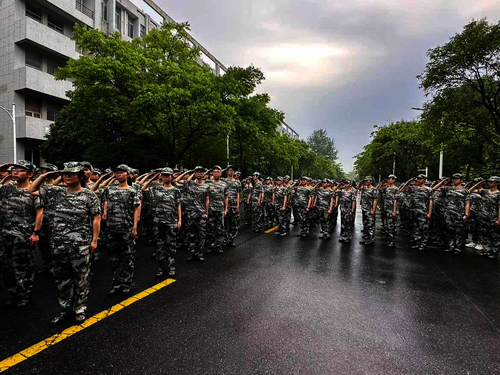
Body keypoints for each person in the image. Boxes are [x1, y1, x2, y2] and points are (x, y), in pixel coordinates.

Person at [28, 162, 101, 324]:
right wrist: (46, 175)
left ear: (80, 176)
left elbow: (96, 218)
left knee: (81, 277)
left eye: (72, 174)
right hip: (59, 243)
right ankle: (66, 309)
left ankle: (80, 309)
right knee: (62, 279)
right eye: (65, 174)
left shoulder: (89, 195)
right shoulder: (56, 193)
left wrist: (94, 240)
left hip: (80, 244)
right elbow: (31, 190)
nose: (68, 176)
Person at [0, 161, 43, 307]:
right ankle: (13, 293)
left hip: (23, 234)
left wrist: (36, 232)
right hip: (5, 233)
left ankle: (25, 295)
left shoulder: (34, 190)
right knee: (6, 267)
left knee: (23, 267)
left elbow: (39, 212)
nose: (15, 172)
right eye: (13, 170)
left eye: (20, 170)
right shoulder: (6, 188)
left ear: (30, 174)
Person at [102, 165, 141, 296]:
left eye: (121, 172)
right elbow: (101, 190)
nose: (118, 174)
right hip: (111, 228)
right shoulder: (110, 189)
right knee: (113, 257)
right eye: (116, 173)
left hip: (126, 228)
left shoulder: (132, 190)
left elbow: (136, 209)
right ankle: (117, 281)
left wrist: (135, 226)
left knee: (127, 256)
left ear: (128, 175)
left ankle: (127, 282)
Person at [143, 168, 181, 277]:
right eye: (164, 175)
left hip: (171, 221)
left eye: (168, 175)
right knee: (159, 246)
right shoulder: (156, 189)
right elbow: (143, 187)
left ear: (171, 177)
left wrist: (179, 220)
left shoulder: (176, 190)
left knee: (171, 246)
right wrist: (154, 177)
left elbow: (178, 205)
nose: (165, 177)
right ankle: (161, 267)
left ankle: (171, 267)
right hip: (158, 221)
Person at [175, 167, 209, 261]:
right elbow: (176, 180)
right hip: (191, 213)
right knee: (191, 234)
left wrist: (206, 212)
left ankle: (200, 253)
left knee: (201, 235)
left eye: (201, 172)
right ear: (194, 173)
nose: (199, 174)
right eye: (197, 172)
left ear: (203, 174)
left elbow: (207, 200)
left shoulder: (206, 186)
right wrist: (187, 171)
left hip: (201, 214)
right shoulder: (189, 183)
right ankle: (192, 253)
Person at [433, 173, 470, 255]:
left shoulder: (465, 191)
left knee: (459, 231)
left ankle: (457, 248)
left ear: (461, 180)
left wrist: (466, 215)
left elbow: (467, 203)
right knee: (449, 231)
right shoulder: (448, 189)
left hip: (459, 213)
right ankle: (450, 246)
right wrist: (443, 182)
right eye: (453, 178)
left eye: (457, 179)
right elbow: (434, 189)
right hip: (448, 213)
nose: (455, 180)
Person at [469, 177, 500, 259]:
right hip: (482, 217)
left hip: (493, 218)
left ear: (497, 183)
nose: (490, 183)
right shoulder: (484, 191)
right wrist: (479, 183)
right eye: (489, 182)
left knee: (494, 236)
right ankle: (487, 251)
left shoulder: (498, 194)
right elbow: (470, 190)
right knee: (484, 236)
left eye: (492, 182)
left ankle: (494, 253)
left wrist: (499, 220)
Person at [401, 174, 433, 251]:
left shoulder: (428, 190)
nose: (417, 180)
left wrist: (429, 212)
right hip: (414, 211)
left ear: (424, 180)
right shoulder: (414, 189)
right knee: (416, 228)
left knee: (424, 228)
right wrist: (410, 180)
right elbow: (402, 189)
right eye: (417, 179)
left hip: (423, 212)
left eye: (419, 179)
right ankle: (418, 243)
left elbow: (431, 201)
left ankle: (423, 244)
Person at [37, 163, 59, 274]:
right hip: (42, 218)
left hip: (55, 219)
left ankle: (56, 265)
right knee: (43, 243)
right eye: (43, 170)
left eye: (47, 170)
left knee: (55, 243)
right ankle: (47, 263)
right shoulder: (38, 185)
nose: (44, 172)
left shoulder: (59, 186)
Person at [206, 166, 227, 254]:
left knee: (220, 229)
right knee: (210, 229)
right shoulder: (208, 183)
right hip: (211, 209)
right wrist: (206, 211)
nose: (216, 174)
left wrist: (226, 209)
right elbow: (207, 198)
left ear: (220, 173)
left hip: (220, 209)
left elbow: (226, 197)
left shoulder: (224, 184)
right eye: (214, 172)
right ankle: (211, 246)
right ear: (212, 173)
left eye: (218, 172)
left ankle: (219, 246)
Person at [378, 175, 400, 248]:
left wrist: (394, 211)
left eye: (390, 179)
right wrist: (382, 182)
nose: (389, 180)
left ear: (393, 180)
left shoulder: (396, 189)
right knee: (386, 226)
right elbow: (378, 189)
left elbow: (395, 200)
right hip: (385, 209)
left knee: (391, 226)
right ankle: (388, 240)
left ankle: (392, 241)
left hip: (391, 210)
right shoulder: (386, 188)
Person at [357, 177, 378, 245]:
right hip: (364, 208)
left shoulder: (374, 189)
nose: (365, 182)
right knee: (365, 224)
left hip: (370, 209)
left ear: (371, 181)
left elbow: (375, 200)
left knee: (370, 224)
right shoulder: (364, 188)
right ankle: (366, 238)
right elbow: (357, 187)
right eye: (365, 181)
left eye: (367, 180)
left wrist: (374, 210)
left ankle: (370, 239)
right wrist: (361, 182)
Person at [224, 166, 241, 247]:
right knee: (224, 223)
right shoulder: (223, 181)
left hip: (234, 205)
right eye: (229, 170)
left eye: (232, 170)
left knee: (233, 223)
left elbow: (238, 194)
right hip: (224, 205)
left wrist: (238, 205)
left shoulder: (237, 182)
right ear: (227, 172)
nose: (231, 172)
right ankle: (224, 239)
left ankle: (231, 239)